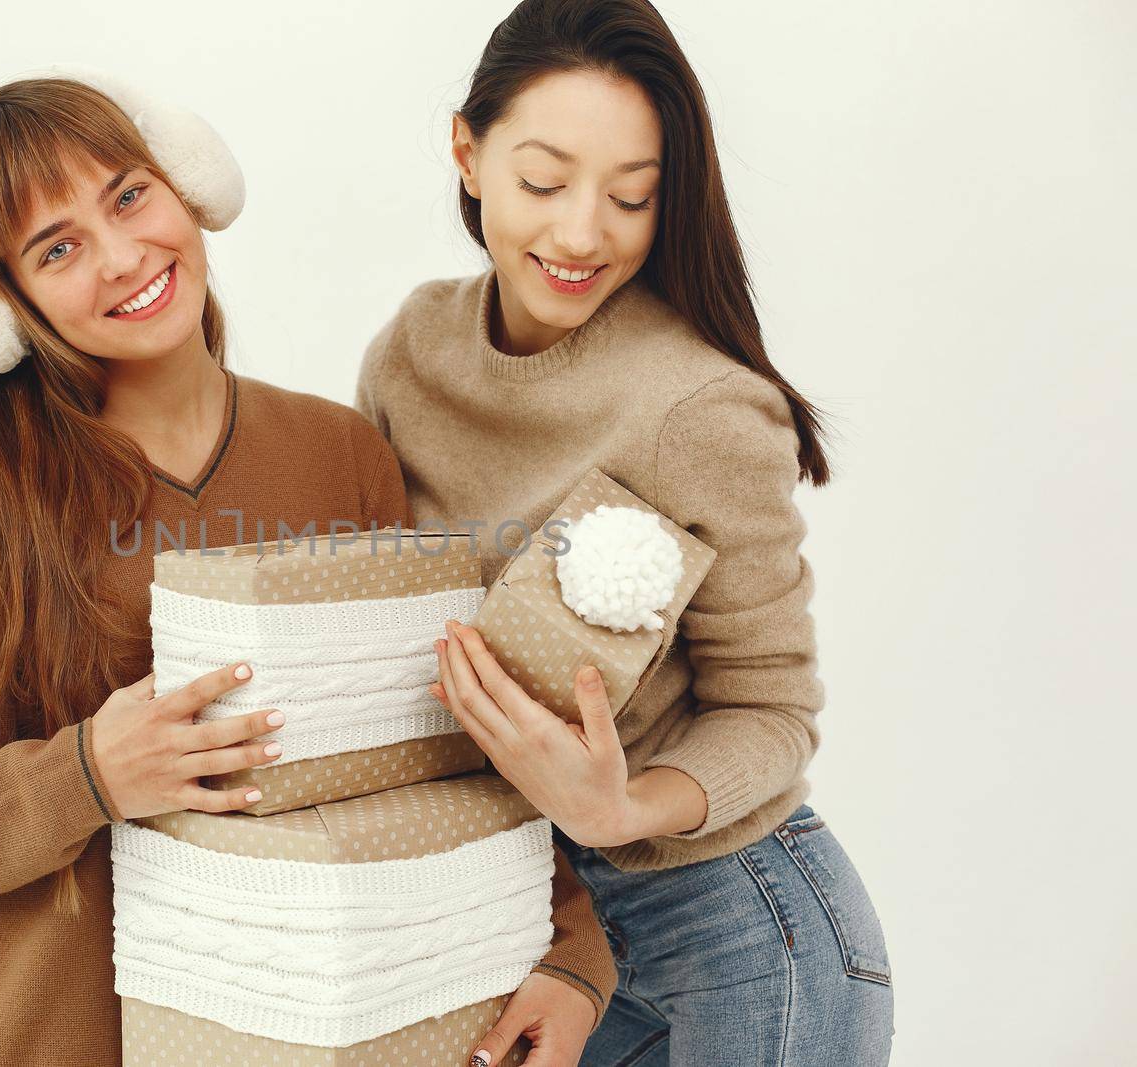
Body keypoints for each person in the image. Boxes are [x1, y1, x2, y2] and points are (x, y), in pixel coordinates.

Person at [0, 72, 615, 1065]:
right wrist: (87, 775)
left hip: (328, 1036)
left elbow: (444, 735)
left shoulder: (338, 452)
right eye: (55, 249)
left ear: (187, 186)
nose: (121, 256)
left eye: (128, 195)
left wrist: (570, 953)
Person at [355, 2, 895, 1064]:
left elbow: (771, 710)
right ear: (467, 154)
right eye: (543, 182)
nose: (579, 234)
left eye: (631, 195)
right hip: (535, 929)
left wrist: (625, 802)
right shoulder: (409, 356)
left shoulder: (697, 406)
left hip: (738, 932)